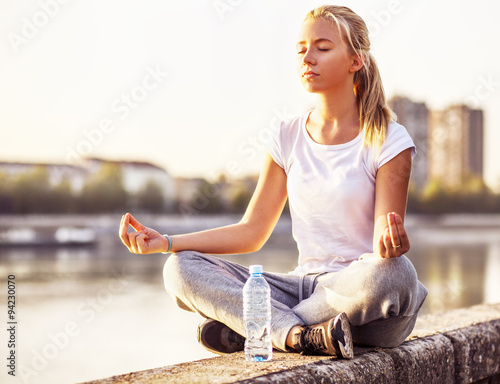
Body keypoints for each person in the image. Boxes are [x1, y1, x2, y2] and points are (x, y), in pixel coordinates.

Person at [119, 5, 428, 359]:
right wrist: (167, 242)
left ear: (355, 60)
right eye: (301, 49)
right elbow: (252, 230)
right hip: (301, 288)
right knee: (179, 268)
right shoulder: (286, 135)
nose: (307, 58)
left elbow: (380, 245)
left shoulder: (389, 139)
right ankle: (300, 336)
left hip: (363, 300)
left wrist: (389, 246)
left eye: (322, 48)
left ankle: (257, 327)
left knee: (396, 274)